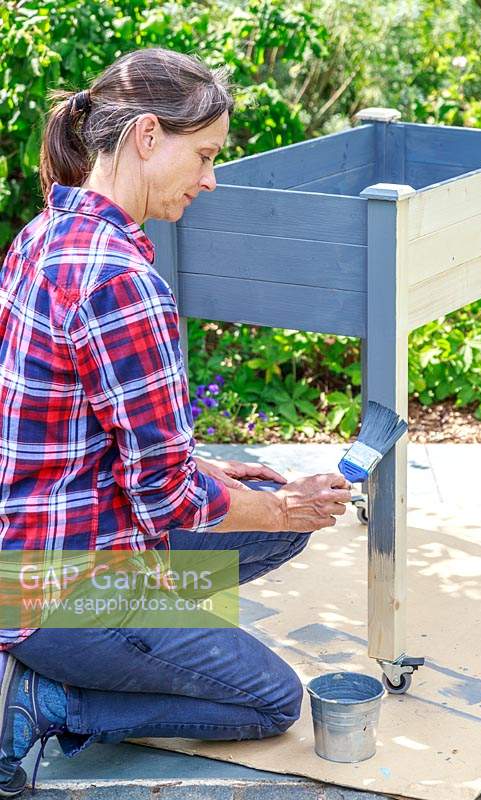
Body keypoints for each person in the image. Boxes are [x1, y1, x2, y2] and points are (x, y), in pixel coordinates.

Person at [0, 48, 352, 797]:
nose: (211, 178)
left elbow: (101, 432)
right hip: (55, 586)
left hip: (37, 545)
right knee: (270, 700)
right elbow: (165, 498)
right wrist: (282, 505)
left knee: (272, 514)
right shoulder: (123, 281)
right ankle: (44, 698)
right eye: (205, 154)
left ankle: (136, 633)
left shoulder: (45, 235)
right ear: (149, 136)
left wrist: (233, 483)